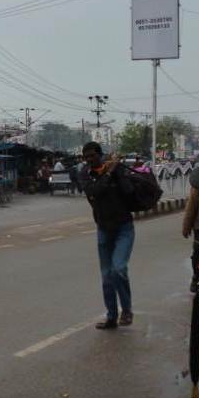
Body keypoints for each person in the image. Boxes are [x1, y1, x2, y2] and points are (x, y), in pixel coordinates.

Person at [78, 141, 136, 330]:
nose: (89, 160)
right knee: (106, 277)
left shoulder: (116, 169)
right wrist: (108, 174)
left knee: (118, 269)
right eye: (86, 157)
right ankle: (111, 316)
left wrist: (117, 172)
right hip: (103, 229)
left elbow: (129, 191)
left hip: (123, 228)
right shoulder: (85, 174)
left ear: (100, 155)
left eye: (93, 156)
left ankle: (126, 310)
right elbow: (94, 191)